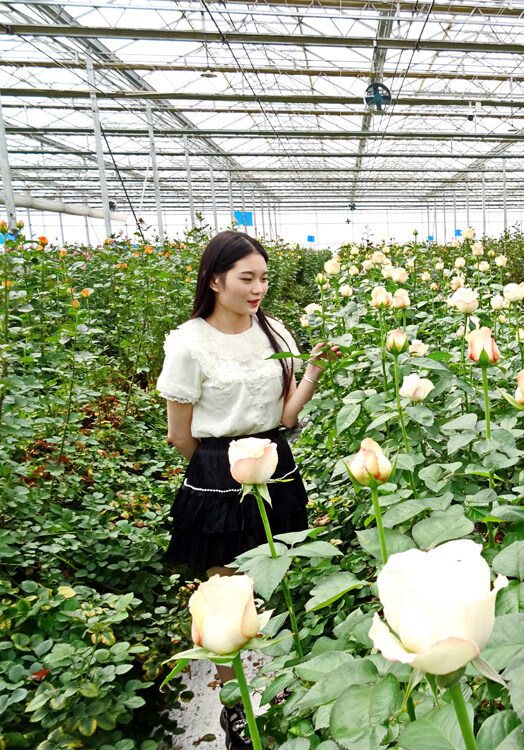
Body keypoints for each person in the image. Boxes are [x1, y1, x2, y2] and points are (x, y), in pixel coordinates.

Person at [156, 230, 335, 749]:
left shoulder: (273, 330)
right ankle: (236, 711)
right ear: (215, 280)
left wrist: (315, 369)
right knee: (230, 596)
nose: (258, 289)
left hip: (274, 458)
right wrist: (220, 471)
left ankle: (283, 694)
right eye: (246, 278)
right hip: (217, 471)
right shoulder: (189, 342)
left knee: (279, 581)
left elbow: (285, 414)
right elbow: (178, 432)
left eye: (263, 278)